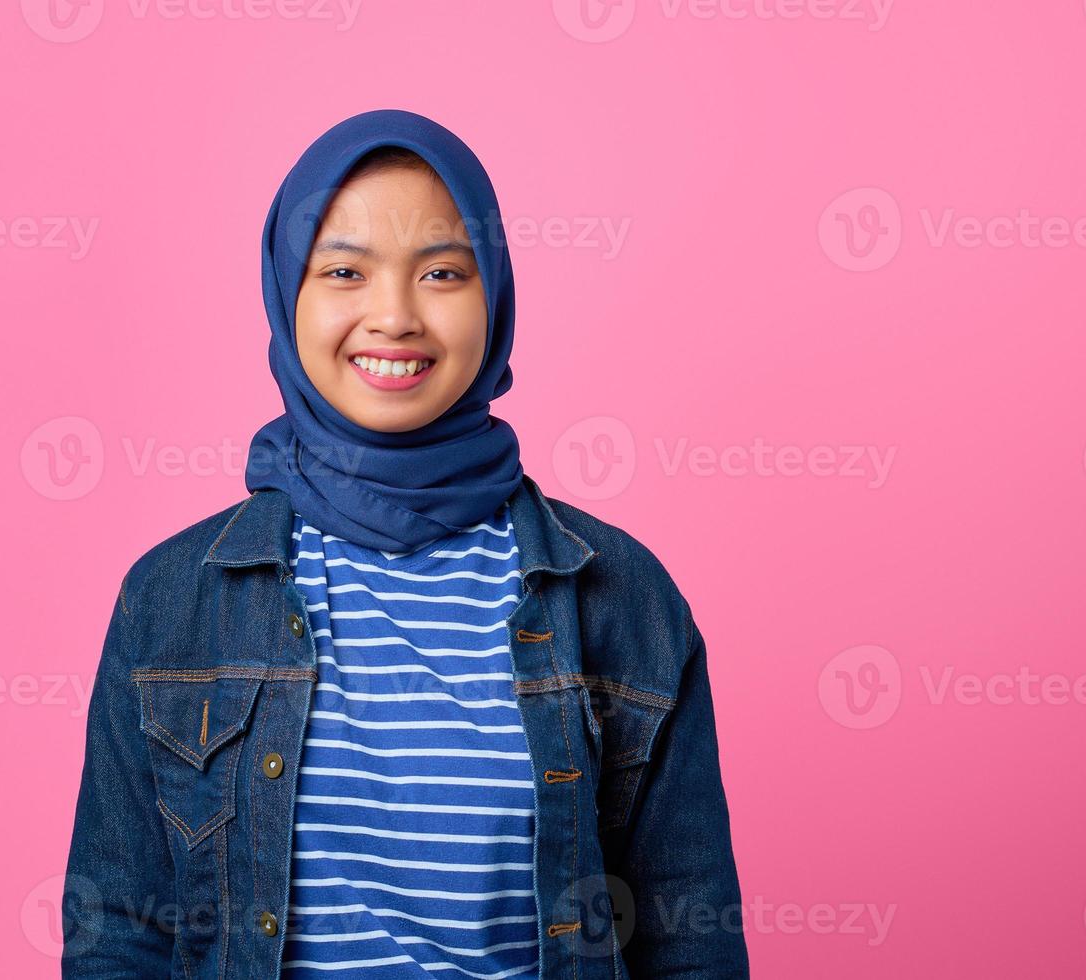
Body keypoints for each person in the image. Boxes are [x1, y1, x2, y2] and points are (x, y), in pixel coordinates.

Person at [62, 108, 748, 979]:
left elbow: (691, 945)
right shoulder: (172, 598)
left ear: (493, 295)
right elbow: (118, 934)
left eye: (441, 272)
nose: (393, 316)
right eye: (344, 269)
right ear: (286, 293)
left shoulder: (621, 597)